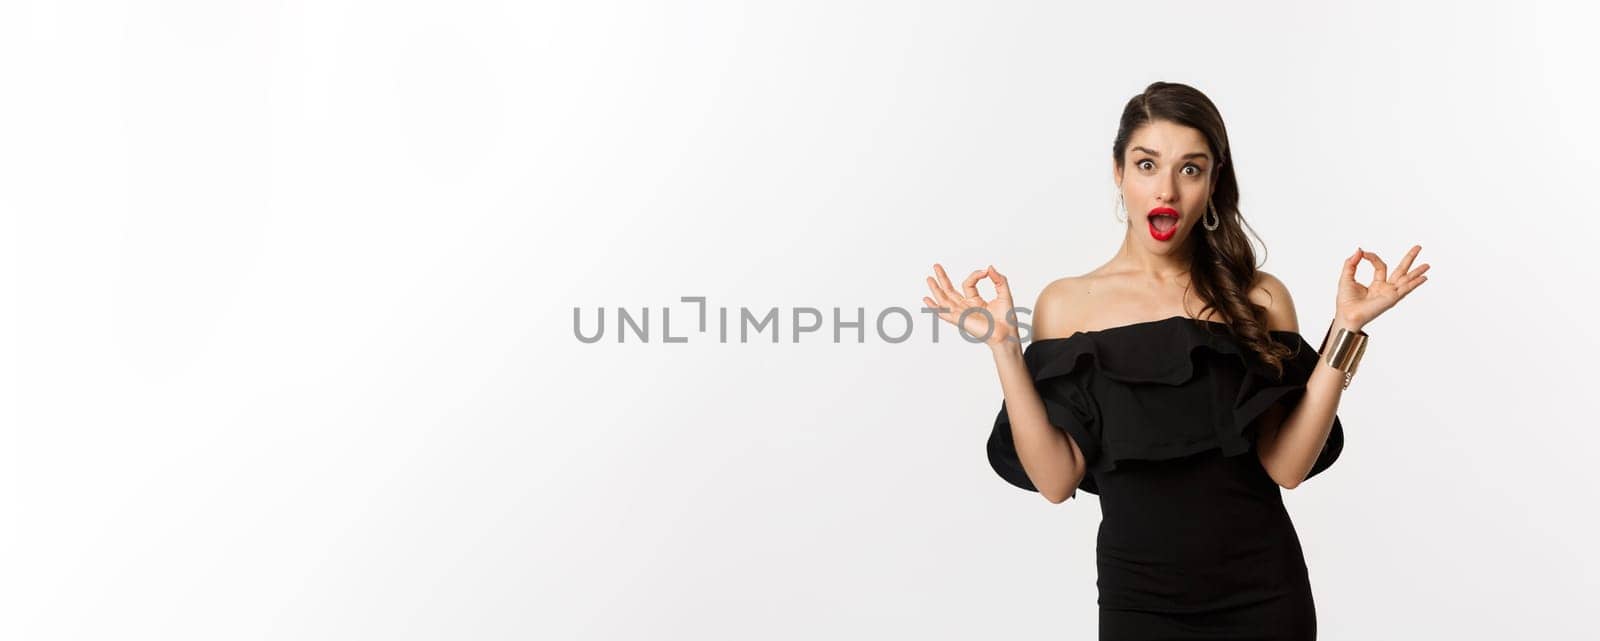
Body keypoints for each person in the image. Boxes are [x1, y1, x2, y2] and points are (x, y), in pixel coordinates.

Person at [920, 81, 1430, 641]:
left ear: (1213, 183)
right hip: (1139, 603)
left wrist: (1346, 331)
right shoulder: (1065, 304)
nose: (1166, 189)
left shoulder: (1259, 297)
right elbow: (1055, 480)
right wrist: (1003, 348)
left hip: (1264, 596)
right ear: (1118, 172)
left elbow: (1287, 467)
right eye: (1146, 164)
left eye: (1191, 169)